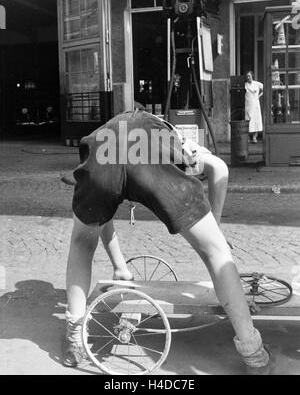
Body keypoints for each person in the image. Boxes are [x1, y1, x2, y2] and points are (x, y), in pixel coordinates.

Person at [62, 109, 274, 375]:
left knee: (81, 244)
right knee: (216, 253)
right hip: (151, 162)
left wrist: (120, 267)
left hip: (101, 163)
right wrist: (215, 229)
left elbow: (100, 217)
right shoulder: (173, 136)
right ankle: (254, 355)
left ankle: (74, 340)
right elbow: (219, 167)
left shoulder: (103, 133)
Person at [245, 71, 264, 143]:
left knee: (256, 121)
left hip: (255, 105)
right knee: (249, 121)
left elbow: (265, 88)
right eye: (247, 76)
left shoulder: (257, 84)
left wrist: (259, 96)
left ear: (252, 76)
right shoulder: (245, 85)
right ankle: (248, 137)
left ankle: (254, 137)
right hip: (248, 105)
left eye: (249, 76)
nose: (248, 78)